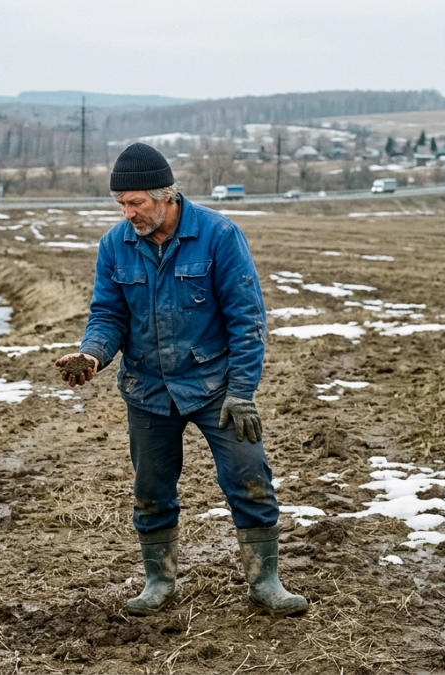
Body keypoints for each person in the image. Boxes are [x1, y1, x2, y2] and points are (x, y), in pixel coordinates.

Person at [55, 142, 307, 617]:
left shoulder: (218, 235)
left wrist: (242, 392)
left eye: (137, 203)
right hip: (147, 390)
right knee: (150, 489)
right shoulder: (115, 245)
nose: (128, 213)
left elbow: (246, 318)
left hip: (216, 388)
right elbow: (108, 314)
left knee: (250, 478)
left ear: (166, 196)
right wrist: (92, 354)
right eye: (121, 204)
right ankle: (160, 582)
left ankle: (265, 582)